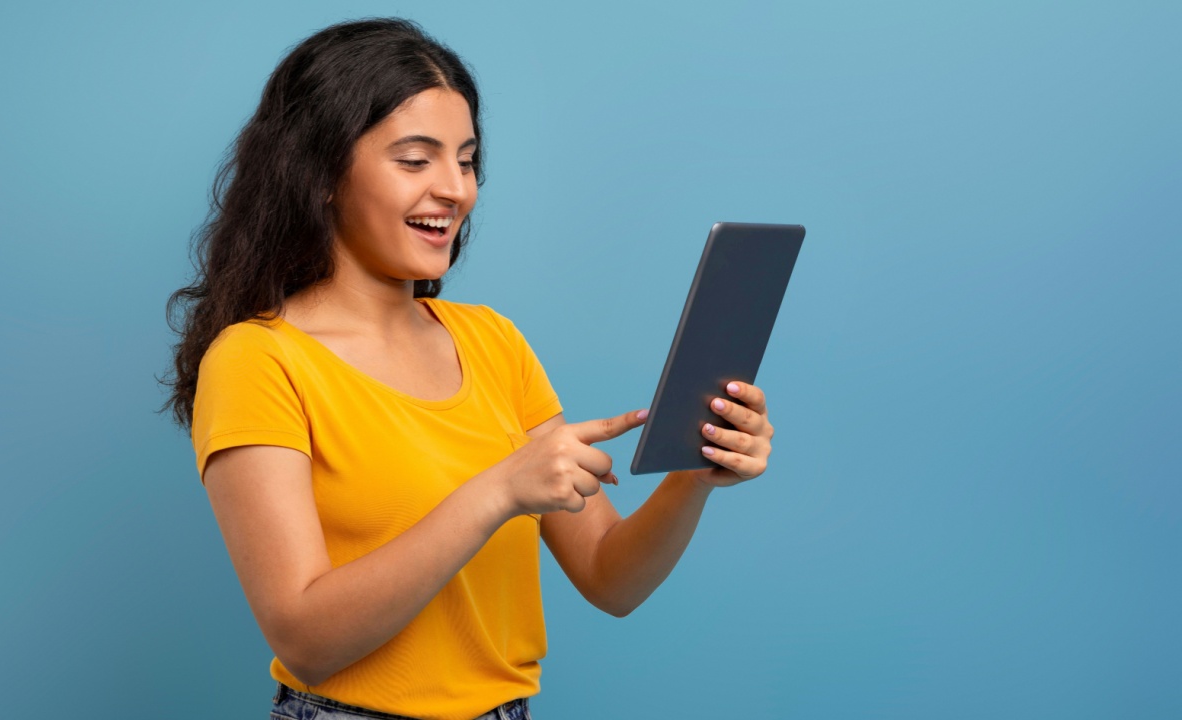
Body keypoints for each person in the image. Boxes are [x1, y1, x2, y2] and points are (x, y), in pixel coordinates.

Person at [160, 17, 775, 720]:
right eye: (415, 160)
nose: (456, 189)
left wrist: (694, 473)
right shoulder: (257, 361)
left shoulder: (493, 342)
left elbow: (612, 577)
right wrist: (495, 494)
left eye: (466, 159)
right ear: (321, 173)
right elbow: (305, 639)